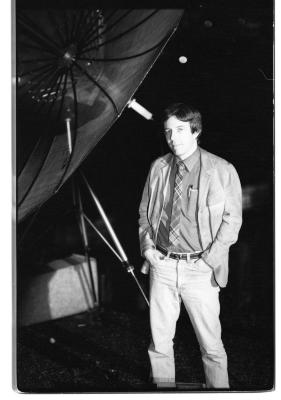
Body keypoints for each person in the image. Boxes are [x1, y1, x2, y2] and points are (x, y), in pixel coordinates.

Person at [138, 102, 242, 389]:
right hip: (163, 265)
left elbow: (232, 221)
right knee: (159, 344)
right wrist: (148, 248)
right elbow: (145, 213)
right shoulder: (158, 167)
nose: (173, 138)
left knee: (211, 346)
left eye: (180, 130)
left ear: (195, 131)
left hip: (200, 269)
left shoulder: (221, 169)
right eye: (168, 131)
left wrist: (209, 260)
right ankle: (164, 391)